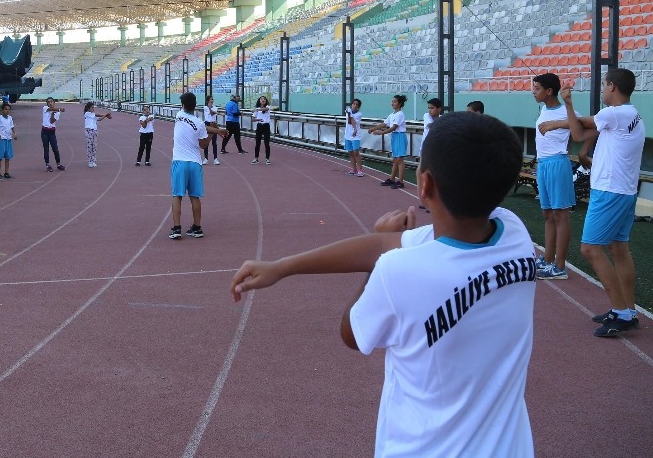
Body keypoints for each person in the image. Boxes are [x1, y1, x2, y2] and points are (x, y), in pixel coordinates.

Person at [231, 111, 535, 456]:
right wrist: (282, 267)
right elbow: (382, 245)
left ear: (425, 184)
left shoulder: (399, 272)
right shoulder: (513, 233)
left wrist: (378, 267)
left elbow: (352, 332)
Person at [561, 68, 646, 337]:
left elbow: (576, 132)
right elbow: (583, 131)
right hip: (624, 191)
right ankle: (628, 309)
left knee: (590, 249)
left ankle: (621, 312)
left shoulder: (612, 114)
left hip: (609, 191)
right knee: (619, 248)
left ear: (611, 86)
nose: (602, 91)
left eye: (604, 86)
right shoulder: (632, 115)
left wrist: (568, 104)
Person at [532, 73, 580, 280]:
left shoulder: (566, 112)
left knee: (560, 215)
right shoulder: (543, 109)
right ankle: (548, 258)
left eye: (537, 88)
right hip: (543, 164)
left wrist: (583, 153)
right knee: (548, 215)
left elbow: (588, 128)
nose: (533, 91)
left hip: (558, 163)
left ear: (549, 91)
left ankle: (560, 266)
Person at [169, 92, 229, 239]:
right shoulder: (199, 123)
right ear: (195, 106)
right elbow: (203, 145)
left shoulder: (178, 115)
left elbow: (196, 126)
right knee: (195, 196)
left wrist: (215, 130)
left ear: (183, 105)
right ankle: (197, 227)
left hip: (179, 161)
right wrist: (214, 132)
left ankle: (177, 229)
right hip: (195, 163)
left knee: (177, 195)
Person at [368, 94, 408, 189]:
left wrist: (381, 133)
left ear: (400, 103)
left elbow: (394, 127)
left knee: (400, 160)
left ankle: (401, 182)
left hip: (400, 137)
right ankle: (392, 179)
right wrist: (373, 128)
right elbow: (384, 123)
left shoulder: (400, 114)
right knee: (395, 160)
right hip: (394, 137)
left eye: (394, 101)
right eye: (392, 101)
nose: (392, 103)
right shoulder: (392, 114)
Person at [0, 103, 18, 179]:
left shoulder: (10, 118)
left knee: (7, 157)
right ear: (2, 110)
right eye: (6, 109)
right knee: (0, 157)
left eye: (8, 109)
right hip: (2, 139)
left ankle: (6, 172)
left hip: (8, 139)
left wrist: (14, 133)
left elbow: (12, 127)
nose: (7, 111)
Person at [83, 101, 112, 168]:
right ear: (88, 108)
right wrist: (106, 115)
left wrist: (105, 116)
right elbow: (97, 115)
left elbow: (99, 119)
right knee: (89, 146)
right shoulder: (87, 113)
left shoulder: (93, 115)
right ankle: (90, 161)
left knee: (94, 146)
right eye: (92, 107)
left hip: (94, 131)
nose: (93, 109)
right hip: (89, 131)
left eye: (94, 107)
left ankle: (93, 161)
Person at [41, 97, 66, 172]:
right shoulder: (45, 108)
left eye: (51, 101)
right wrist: (59, 109)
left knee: (55, 149)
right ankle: (47, 164)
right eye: (48, 102)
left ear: (54, 102)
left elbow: (52, 121)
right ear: (47, 104)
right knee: (46, 148)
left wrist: (53, 114)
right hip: (44, 131)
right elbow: (51, 109)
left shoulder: (57, 112)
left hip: (52, 132)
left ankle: (58, 164)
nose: (50, 103)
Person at [344, 98, 364, 177]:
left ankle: (360, 170)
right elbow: (348, 121)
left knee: (356, 152)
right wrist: (348, 112)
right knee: (350, 153)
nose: (355, 105)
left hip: (356, 135)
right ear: (351, 104)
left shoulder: (359, 114)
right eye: (353, 104)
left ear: (358, 106)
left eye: (356, 104)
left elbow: (351, 121)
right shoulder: (348, 111)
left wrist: (349, 113)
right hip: (348, 135)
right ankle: (353, 169)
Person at [251, 95, 272, 165]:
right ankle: (256, 158)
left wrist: (257, 109)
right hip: (259, 126)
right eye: (261, 99)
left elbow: (265, 109)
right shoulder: (257, 109)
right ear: (259, 101)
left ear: (266, 101)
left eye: (264, 99)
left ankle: (267, 159)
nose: (263, 100)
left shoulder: (268, 107)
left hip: (266, 126)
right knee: (257, 143)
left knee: (266, 143)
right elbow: (252, 119)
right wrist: (258, 119)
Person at [202, 95, 220, 165]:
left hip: (213, 124)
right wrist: (209, 108)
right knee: (206, 141)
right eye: (210, 99)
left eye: (212, 99)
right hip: (207, 124)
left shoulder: (215, 107)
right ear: (207, 101)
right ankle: (206, 158)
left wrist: (214, 111)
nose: (212, 100)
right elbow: (211, 112)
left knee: (214, 142)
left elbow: (213, 113)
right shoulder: (205, 107)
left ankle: (215, 159)